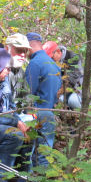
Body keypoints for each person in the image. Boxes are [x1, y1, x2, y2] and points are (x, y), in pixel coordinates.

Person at [0, 47, 32, 182]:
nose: (8, 72)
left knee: (30, 133)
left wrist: (20, 121)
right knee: (15, 135)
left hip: (3, 121)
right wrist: (15, 122)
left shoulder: (4, 82)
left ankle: (21, 181)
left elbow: (11, 107)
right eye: (6, 68)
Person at [25, 33, 62, 167]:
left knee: (30, 153)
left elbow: (27, 93)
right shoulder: (54, 64)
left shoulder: (35, 64)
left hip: (37, 113)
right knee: (45, 154)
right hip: (50, 113)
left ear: (29, 46)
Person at [43, 41, 83, 110]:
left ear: (58, 52)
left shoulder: (73, 58)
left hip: (77, 94)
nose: (50, 60)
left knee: (56, 100)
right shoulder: (51, 62)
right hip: (59, 93)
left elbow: (72, 80)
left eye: (52, 57)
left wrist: (56, 93)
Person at [4, 33, 32, 102]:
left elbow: (26, 97)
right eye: (18, 50)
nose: (23, 54)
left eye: (25, 51)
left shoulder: (20, 71)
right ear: (7, 49)